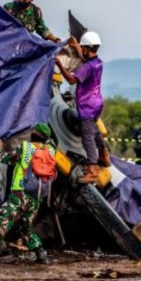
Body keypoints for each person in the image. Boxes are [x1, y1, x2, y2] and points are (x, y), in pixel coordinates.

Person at [0, 123, 57, 265]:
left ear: (34, 134)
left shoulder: (26, 148)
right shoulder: (50, 151)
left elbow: (5, 159)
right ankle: (41, 254)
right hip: (37, 196)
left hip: (20, 192)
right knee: (25, 227)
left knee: (2, 218)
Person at [54, 32, 110, 183]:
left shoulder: (86, 67)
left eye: (82, 48)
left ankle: (92, 170)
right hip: (97, 103)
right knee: (94, 130)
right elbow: (86, 59)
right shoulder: (98, 63)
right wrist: (78, 47)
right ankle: (105, 155)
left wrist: (59, 64)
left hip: (87, 106)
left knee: (87, 138)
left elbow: (72, 80)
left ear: (86, 48)